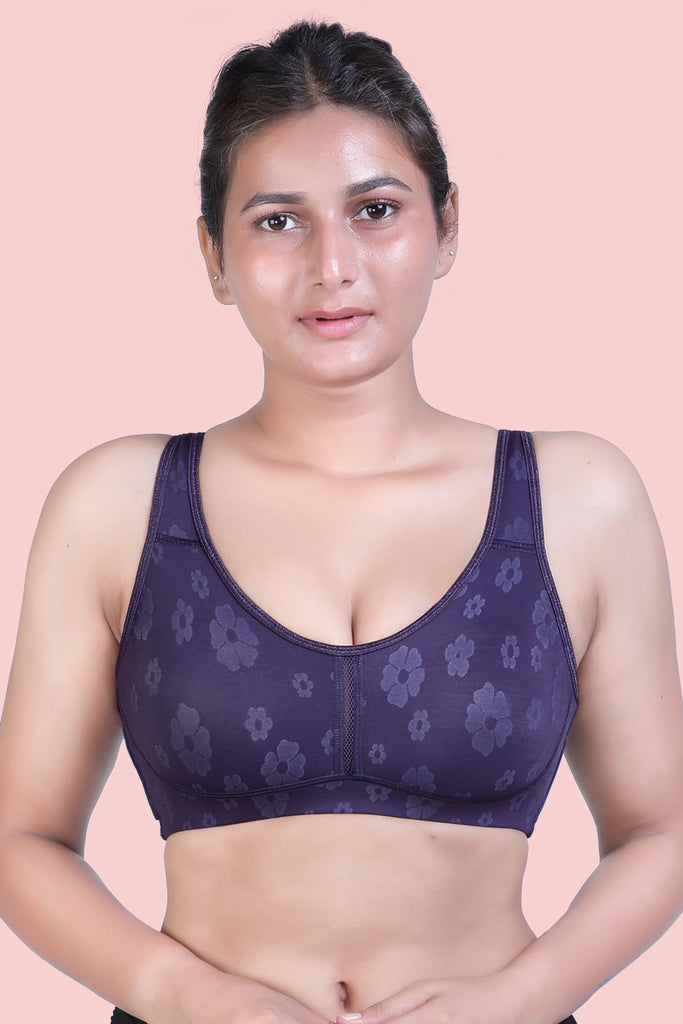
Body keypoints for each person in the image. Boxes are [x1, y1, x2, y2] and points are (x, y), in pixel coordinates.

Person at [0, 19, 682, 1024]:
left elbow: (659, 830)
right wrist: (181, 994)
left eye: (375, 210)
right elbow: (21, 838)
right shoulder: (116, 504)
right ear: (213, 255)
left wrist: (525, 996)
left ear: (446, 225)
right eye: (278, 220)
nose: (332, 265)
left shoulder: (579, 498)